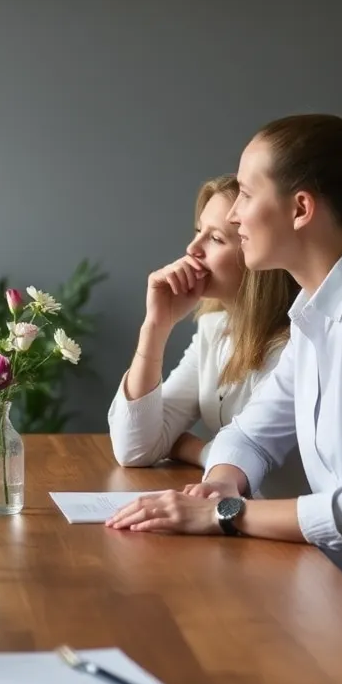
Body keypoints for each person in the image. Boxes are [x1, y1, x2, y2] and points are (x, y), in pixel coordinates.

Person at [107, 98, 342, 684]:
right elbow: (253, 431)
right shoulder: (317, 309)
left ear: (300, 208)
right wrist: (222, 481)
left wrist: (226, 515)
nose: (238, 216)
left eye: (247, 195)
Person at [108, 175, 305, 498]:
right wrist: (156, 327)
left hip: (286, 533)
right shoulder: (216, 331)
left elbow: (258, 463)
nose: (192, 249)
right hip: (242, 523)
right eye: (199, 231)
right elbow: (134, 448)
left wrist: (193, 448)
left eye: (215, 238)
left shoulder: (293, 346)